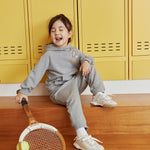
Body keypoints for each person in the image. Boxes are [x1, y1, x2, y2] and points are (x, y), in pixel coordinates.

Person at [16, 14, 117, 150]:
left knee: (89, 64)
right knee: (72, 92)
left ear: (69, 33)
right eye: (53, 30)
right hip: (58, 90)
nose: (57, 32)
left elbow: (86, 58)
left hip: (73, 84)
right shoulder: (49, 55)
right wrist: (23, 91)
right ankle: (81, 136)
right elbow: (36, 73)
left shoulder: (74, 52)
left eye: (61, 29)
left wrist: (86, 61)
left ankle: (98, 94)